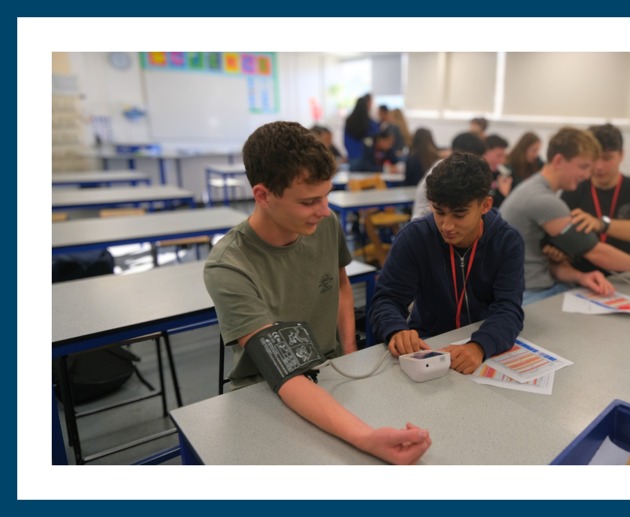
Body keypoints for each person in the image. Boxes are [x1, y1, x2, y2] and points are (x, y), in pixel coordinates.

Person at [203, 121, 431, 465]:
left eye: (326, 195)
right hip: (265, 388)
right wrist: (366, 439)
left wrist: (349, 351)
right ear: (263, 196)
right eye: (309, 201)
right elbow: (285, 371)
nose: (324, 210)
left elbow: (340, 285)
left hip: (330, 370)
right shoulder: (229, 266)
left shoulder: (325, 224)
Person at [370, 152, 525, 374]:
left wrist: (480, 346)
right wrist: (396, 330)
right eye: (439, 212)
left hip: (484, 340)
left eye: (459, 214)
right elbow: (387, 299)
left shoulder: (507, 241)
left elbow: (509, 308)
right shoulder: (415, 237)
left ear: (485, 205)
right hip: (427, 346)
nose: (447, 226)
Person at [500, 127, 630, 306]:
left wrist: (581, 277)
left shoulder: (532, 189)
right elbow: (595, 252)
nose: (587, 175)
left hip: (535, 285)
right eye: (583, 167)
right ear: (558, 161)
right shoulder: (544, 200)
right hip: (531, 294)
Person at [560, 124, 630, 265]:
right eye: (594, 158)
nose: (599, 167)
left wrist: (601, 224)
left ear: (621, 155)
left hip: (621, 271)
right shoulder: (574, 188)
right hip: (580, 272)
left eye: (607, 158)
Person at [411, 131, 486, 221]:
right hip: (426, 220)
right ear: (463, 154)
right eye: (477, 158)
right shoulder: (447, 171)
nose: (478, 164)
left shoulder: (450, 166)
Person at [343, 94, 379, 171]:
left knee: (354, 178)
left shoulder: (349, 121)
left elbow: (345, 141)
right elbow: (376, 134)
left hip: (353, 158)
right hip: (367, 159)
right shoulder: (370, 123)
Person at [482, 134, 512, 207]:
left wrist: (505, 194)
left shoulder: (503, 175)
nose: (502, 160)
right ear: (485, 152)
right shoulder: (477, 174)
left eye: (504, 156)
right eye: (498, 155)